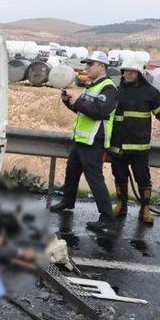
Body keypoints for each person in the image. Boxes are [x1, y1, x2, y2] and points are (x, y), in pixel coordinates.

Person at [109, 60, 160, 224]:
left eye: (133, 71)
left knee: (143, 178)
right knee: (119, 176)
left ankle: (145, 209)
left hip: (139, 146)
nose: (129, 74)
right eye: (126, 71)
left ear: (140, 73)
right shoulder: (116, 90)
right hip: (117, 144)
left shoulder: (150, 92)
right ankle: (121, 205)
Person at [50, 51, 118, 231]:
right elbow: (84, 111)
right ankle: (67, 202)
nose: (86, 68)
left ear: (101, 66)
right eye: (86, 64)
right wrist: (69, 101)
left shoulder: (108, 88)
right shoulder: (93, 86)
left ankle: (107, 217)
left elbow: (99, 111)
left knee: (95, 179)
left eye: (90, 64)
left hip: (94, 140)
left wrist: (78, 100)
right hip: (81, 139)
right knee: (71, 173)